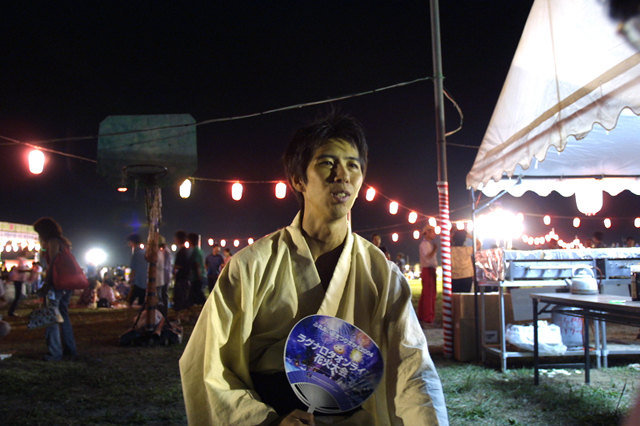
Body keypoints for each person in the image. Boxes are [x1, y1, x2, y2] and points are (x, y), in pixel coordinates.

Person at [180, 112, 448, 426]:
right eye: (327, 163)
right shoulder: (251, 266)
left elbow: (412, 368)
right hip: (271, 412)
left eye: (353, 165)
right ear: (298, 179)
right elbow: (209, 364)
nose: (342, 175)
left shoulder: (381, 274)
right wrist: (267, 421)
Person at [33, 217, 78, 361]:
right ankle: (70, 348)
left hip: (57, 283)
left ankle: (55, 352)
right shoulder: (62, 242)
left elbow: (52, 264)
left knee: (51, 316)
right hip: (67, 283)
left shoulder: (53, 242)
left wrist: (47, 284)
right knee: (63, 314)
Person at [419, 225, 438, 327]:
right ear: (427, 232)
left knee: (426, 294)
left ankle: (423, 315)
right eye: (432, 232)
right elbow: (428, 256)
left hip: (428, 270)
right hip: (428, 270)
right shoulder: (425, 244)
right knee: (429, 295)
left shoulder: (426, 244)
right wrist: (435, 249)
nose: (434, 234)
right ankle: (428, 318)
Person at [7, 248, 31, 317]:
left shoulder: (21, 259)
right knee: (18, 296)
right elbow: (19, 270)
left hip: (19, 280)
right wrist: (29, 271)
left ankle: (11, 311)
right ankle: (11, 311)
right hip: (18, 279)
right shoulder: (21, 260)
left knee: (18, 295)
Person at [172, 230, 191, 314]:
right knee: (182, 298)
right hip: (185, 278)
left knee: (179, 299)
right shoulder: (186, 251)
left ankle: (179, 316)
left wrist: (171, 266)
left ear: (178, 239)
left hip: (181, 278)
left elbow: (179, 265)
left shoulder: (182, 252)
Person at [126, 234, 148, 307]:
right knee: (142, 303)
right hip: (145, 281)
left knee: (130, 302)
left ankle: (129, 313)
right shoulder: (145, 252)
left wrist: (130, 279)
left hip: (137, 282)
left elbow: (134, 268)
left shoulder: (136, 253)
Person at [187, 232, 207, 306]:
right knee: (196, 293)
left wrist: (198, 276)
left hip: (196, 277)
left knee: (198, 293)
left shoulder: (195, 251)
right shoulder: (199, 251)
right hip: (198, 276)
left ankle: (206, 305)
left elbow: (197, 264)